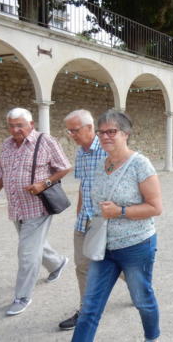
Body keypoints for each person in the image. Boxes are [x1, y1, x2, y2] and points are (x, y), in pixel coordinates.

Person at [72, 109, 162, 342]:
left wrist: (120, 211)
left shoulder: (140, 164)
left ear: (126, 133)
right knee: (90, 307)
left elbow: (155, 207)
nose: (105, 137)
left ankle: (151, 337)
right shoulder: (101, 166)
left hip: (136, 245)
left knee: (142, 299)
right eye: (101, 133)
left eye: (111, 131)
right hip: (104, 249)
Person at [0, 107, 71, 315]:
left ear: (31, 125)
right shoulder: (6, 145)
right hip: (16, 207)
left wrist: (44, 183)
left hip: (38, 206)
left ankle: (22, 296)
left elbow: (65, 167)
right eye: (12, 126)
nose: (15, 130)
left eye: (20, 125)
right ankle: (58, 263)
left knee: (26, 252)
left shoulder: (45, 141)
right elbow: (0, 176)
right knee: (33, 245)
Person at [59, 110, 108, 330]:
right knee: (82, 267)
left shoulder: (109, 150)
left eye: (75, 130)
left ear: (89, 128)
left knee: (118, 264)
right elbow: (83, 185)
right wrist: (79, 214)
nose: (71, 134)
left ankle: (140, 289)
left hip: (106, 221)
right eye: (69, 130)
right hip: (84, 220)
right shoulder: (80, 152)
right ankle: (86, 311)